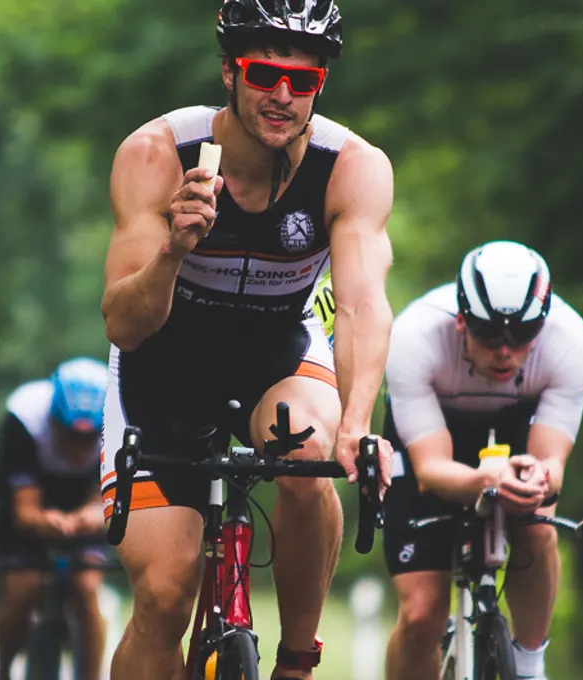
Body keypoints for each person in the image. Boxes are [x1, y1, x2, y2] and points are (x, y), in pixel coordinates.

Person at [98, 1, 397, 677]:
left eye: (305, 81)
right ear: (230, 71)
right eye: (265, 74)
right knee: (166, 594)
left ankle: (297, 660)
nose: (283, 96)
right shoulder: (157, 154)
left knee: (308, 446)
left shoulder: (351, 167)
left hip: (275, 355)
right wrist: (172, 252)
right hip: (161, 368)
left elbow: (358, 306)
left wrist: (357, 424)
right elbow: (123, 322)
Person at [379, 241, 583, 680]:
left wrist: (539, 478)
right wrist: (484, 478)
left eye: (522, 335)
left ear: (544, 322)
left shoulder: (570, 341)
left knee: (537, 531)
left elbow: (552, 464)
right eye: (488, 333)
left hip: (517, 428)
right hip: (434, 437)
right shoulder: (415, 335)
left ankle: (531, 667)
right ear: (461, 320)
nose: (504, 351)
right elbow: (430, 471)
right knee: (422, 613)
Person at [0, 358, 117, 680]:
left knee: (87, 589)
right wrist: (45, 520)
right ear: (53, 419)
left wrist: (94, 515)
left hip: (85, 498)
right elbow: (23, 510)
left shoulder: (117, 421)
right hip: (33, 496)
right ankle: (3, 668)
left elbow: (109, 499)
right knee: (24, 586)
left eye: (86, 441)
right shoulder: (25, 417)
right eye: (68, 436)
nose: (76, 449)